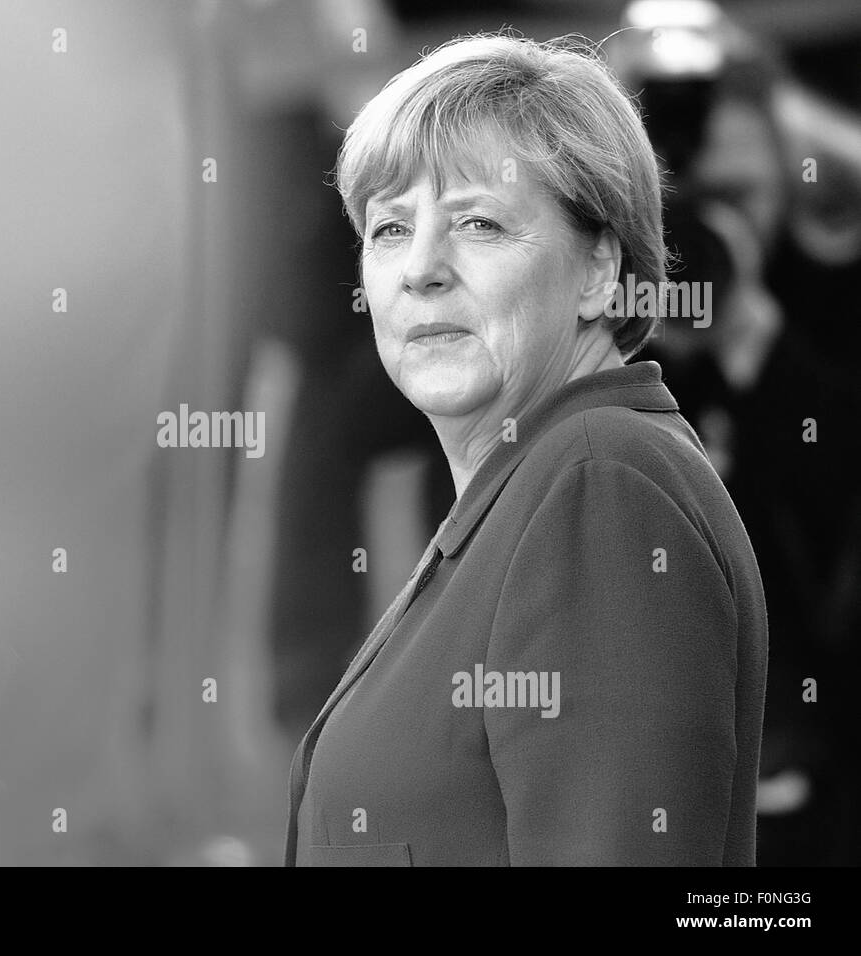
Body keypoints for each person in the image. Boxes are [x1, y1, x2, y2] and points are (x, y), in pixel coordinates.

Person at [284, 33, 769, 866]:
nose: (422, 270)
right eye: (391, 228)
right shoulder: (534, 482)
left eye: (479, 221)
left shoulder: (600, 484)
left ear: (598, 272)